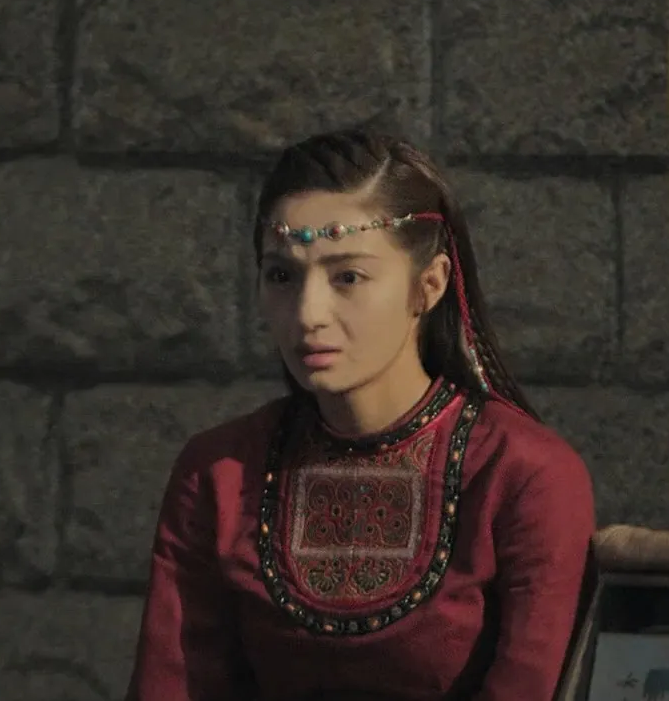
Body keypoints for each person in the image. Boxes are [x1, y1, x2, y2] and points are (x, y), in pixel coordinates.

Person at [125, 130, 598, 701]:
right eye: (281, 276)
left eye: (347, 277)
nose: (308, 313)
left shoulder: (521, 474)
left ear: (429, 285)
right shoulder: (219, 473)